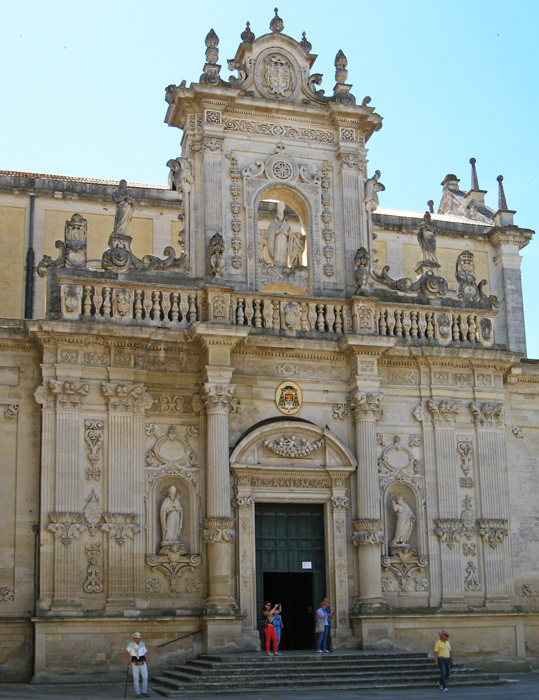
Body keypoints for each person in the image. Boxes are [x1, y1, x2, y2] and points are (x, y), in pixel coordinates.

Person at [125, 631, 149, 698]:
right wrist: (127, 660)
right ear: (134, 638)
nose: (137, 639)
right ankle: (137, 692)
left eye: (138, 638)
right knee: (136, 678)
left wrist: (147, 663)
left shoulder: (142, 644)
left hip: (142, 662)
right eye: (136, 638)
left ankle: (144, 691)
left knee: (145, 677)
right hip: (135, 663)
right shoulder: (130, 645)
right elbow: (126, 653)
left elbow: (145, 654)